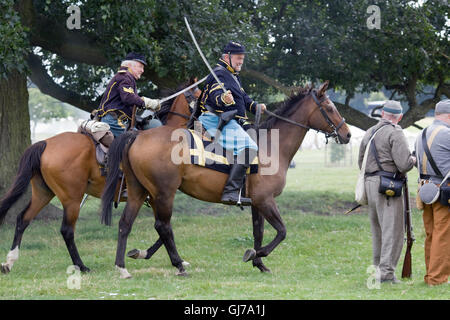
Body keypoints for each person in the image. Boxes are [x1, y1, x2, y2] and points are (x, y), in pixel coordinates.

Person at [197, 41, 266, 206]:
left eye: (242, 58)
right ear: (227, 56)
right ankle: (231, 192)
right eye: (238, 57)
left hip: (232, 120)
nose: (241, 61)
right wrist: (223, 98)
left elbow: (243, 98)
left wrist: (255, 106)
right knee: (250, 148)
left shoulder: (232, 75)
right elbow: (215, 94)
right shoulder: (219, 74)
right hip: (216, 120)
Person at [358, 100, 416, 284]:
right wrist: (413, 159)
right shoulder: (395, 131)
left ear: (383, 114)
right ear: (399, 117)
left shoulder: (369, 132)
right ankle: (387, 274)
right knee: (393, 231)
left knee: (378, 231)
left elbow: (361, 162)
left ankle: (378, 269)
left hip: (370, 183)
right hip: (388, 186)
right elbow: (404, 164)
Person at [414, 99, 450, 286]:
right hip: (444, 192)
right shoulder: (448, 134)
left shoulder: (421, 134)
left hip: (425, 190)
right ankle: (437, 279)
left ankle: (430, 274)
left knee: (431, 234)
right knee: (443, 236)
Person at [96, 52, 161, 137]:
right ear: (130, 65)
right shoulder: (125, 77)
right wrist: (146, 102)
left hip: (117, 120)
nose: (142, 70)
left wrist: (145, 104)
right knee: (136, 144)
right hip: (114, 121)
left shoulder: (125, 77)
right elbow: (128, 98)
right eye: (140, 67)